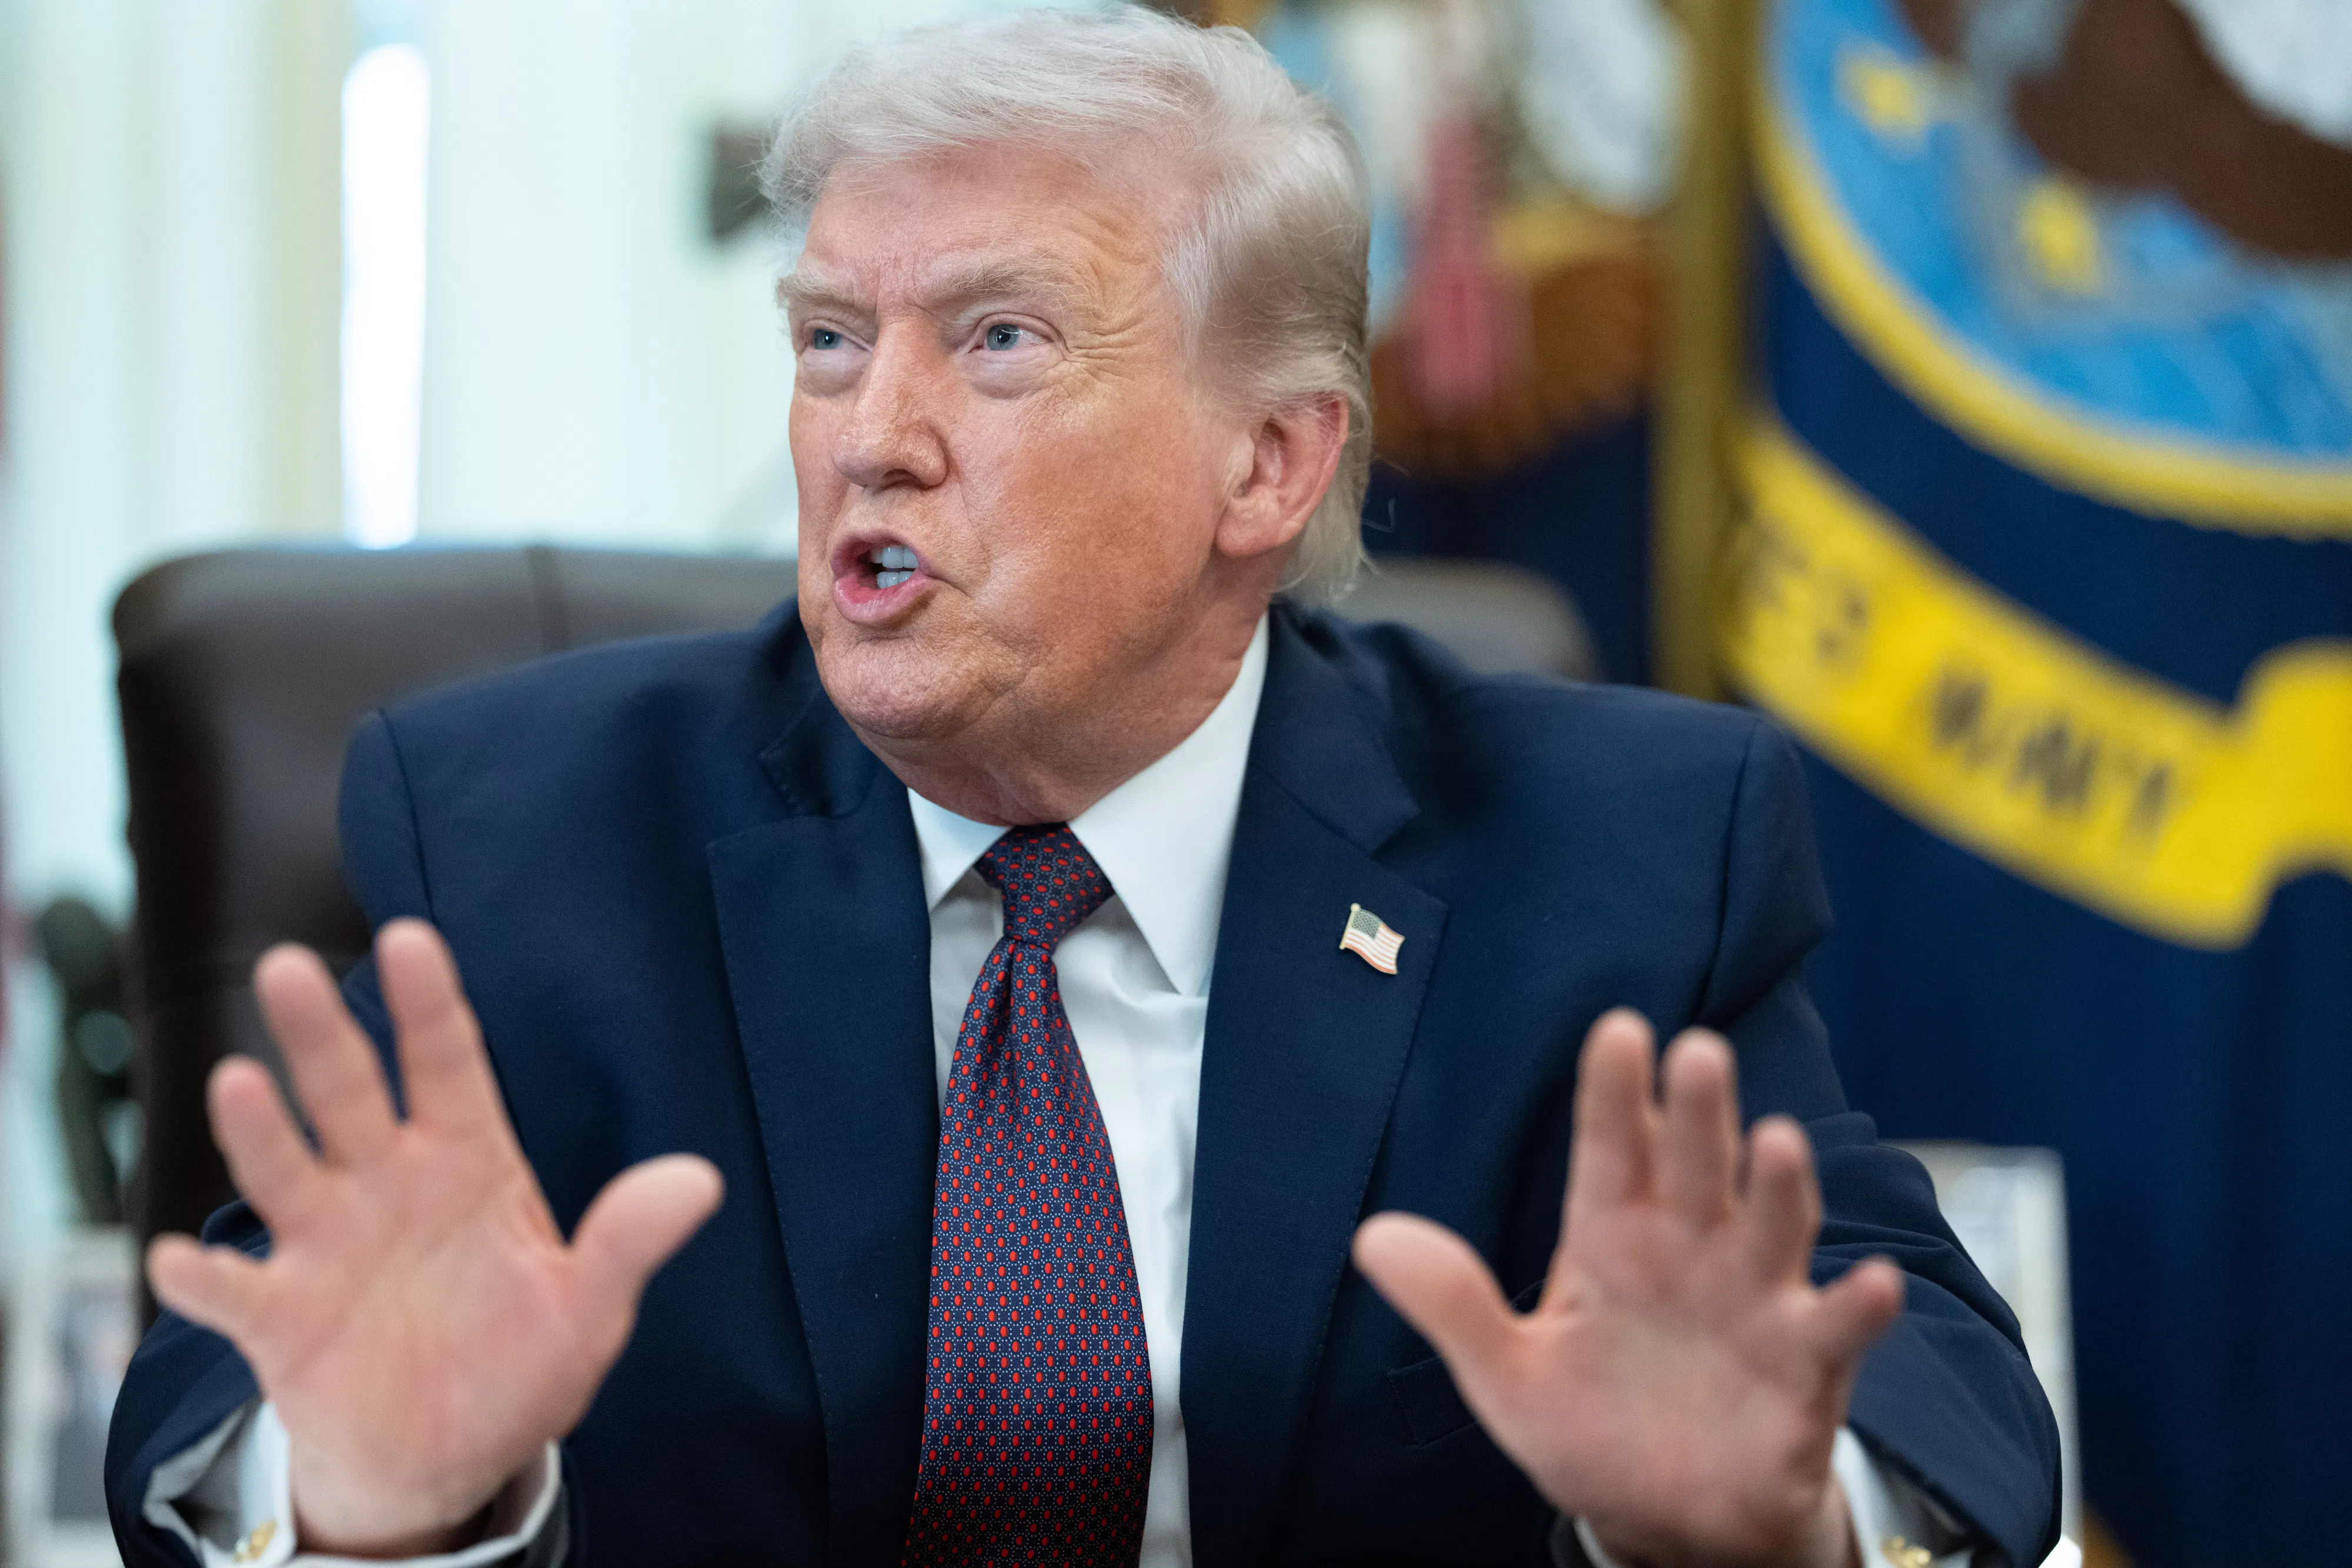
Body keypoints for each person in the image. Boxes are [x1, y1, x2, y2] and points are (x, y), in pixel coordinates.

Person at [105, 9, 2059, 1567]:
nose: (871, 436)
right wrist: (373, 1506)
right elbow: (241, 1390)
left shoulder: (1612, 855)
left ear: (1270, 463)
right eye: (829, 340)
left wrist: (1771, 1521)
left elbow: (1924, 1388)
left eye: (999, 340)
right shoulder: (528, 832)